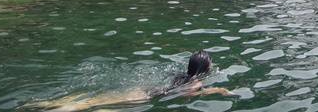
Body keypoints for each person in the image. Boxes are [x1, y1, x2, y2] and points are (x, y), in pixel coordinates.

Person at [28, 51, 230, 111]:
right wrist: (217, 91)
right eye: (210, 63)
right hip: (144, 98)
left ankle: (45, 104)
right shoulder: (194, 82)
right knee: (96, 105)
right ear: (204, 67)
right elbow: (189, 94)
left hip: (145, 89)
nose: (212, 65)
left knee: (93, 100)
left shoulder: (181, 75)